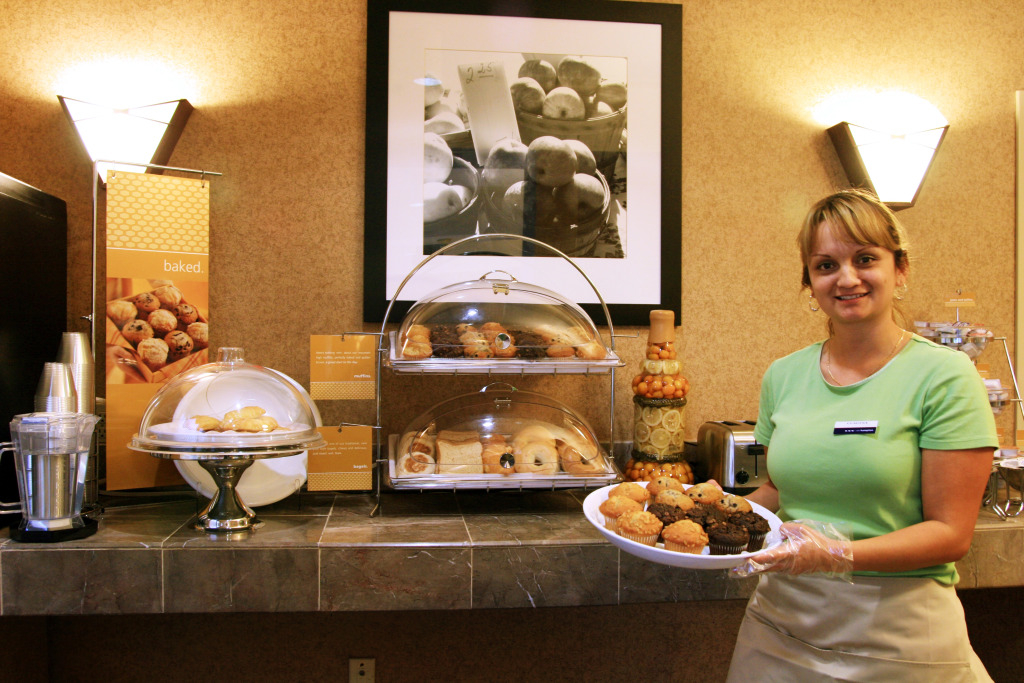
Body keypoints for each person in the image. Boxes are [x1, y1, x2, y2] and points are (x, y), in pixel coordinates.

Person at [725, 188, 998, 682]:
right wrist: (720, 512)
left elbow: (950, 534)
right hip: (779, 629)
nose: (847, 278)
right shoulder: (783, 375)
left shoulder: (945, 376)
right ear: (809, 283)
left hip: (898, 637)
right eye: (826, 265)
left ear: (900, 269)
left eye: (865, 259)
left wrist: (834, 554)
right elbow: (781, 491)